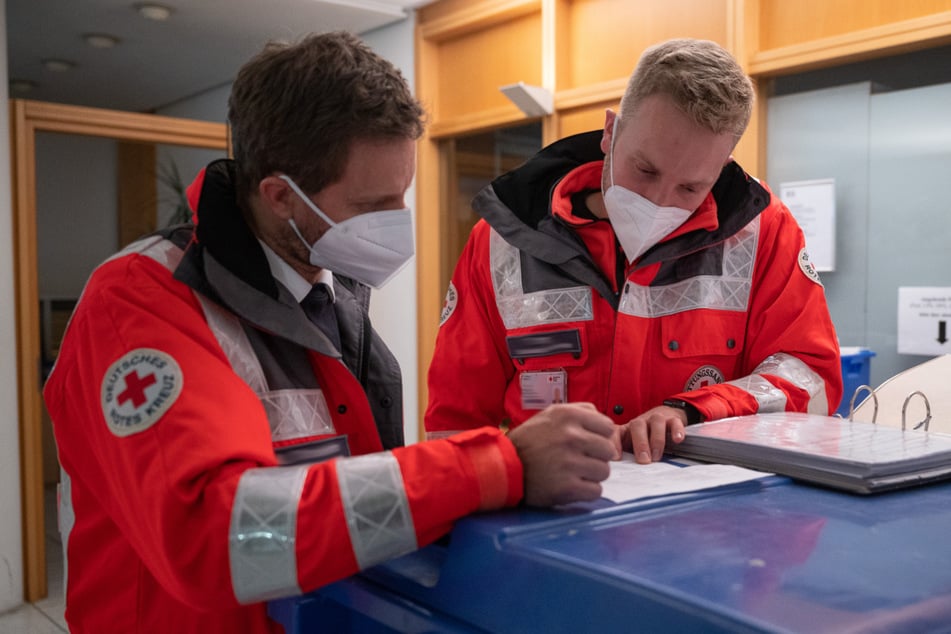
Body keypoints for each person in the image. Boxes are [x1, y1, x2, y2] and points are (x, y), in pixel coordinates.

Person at [43, 31, 618, 633]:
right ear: (279, 196)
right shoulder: (140, 301)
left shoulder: (329, 287)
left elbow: (353, 497)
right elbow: (214, 537)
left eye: (403, 195)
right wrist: (495, 466)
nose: (397, 224)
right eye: (373, 204)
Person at [425, 38, 843, 464]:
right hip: (548, 515)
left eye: (691, 187)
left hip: (709, 514)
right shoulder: (502, 240)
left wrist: (696, 410)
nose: (661, 200)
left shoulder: (763, 231)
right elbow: (455, 418)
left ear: (722, 167)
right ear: (611, 132)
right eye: (645, 170)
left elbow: (811, 378)